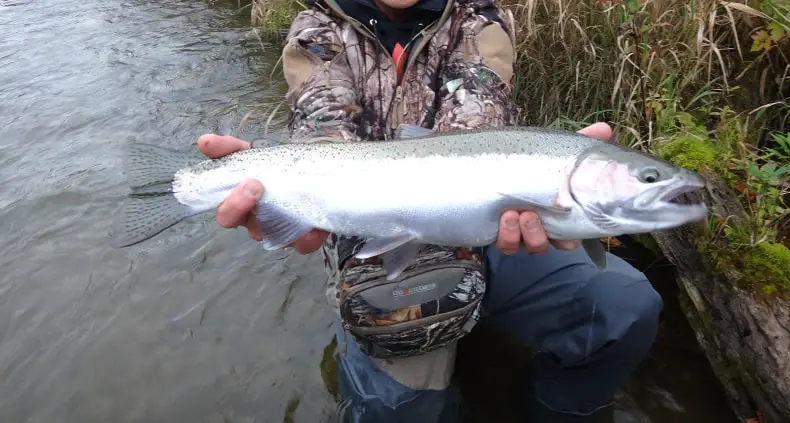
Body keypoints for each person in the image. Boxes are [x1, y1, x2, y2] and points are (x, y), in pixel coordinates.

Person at [195, 0, 664, 421]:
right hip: (369, 239)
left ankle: (560, 411)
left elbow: (477, 126)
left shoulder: (479, 20)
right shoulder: (317, 29)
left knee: (623, 308)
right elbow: (324, 136)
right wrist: (287, 198)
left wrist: (548, 181)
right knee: (400, 408)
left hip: (489, 228)